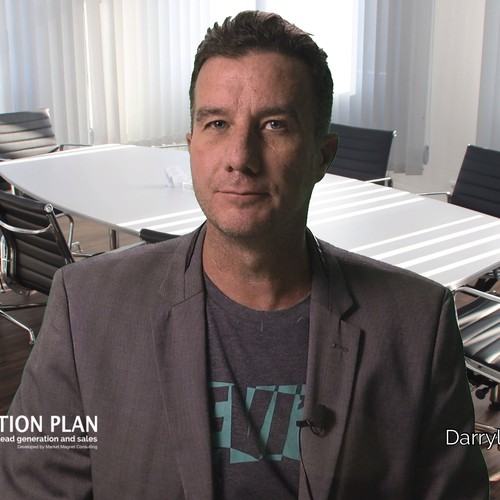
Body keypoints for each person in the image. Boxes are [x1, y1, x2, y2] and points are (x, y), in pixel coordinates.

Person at [0, 10, 489, 500]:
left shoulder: (418, 324)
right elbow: (29, 486)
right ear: (191, 146)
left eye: (274, 125)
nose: (239, 157)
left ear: (322, 155)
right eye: (216, 123)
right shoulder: (86, 306)